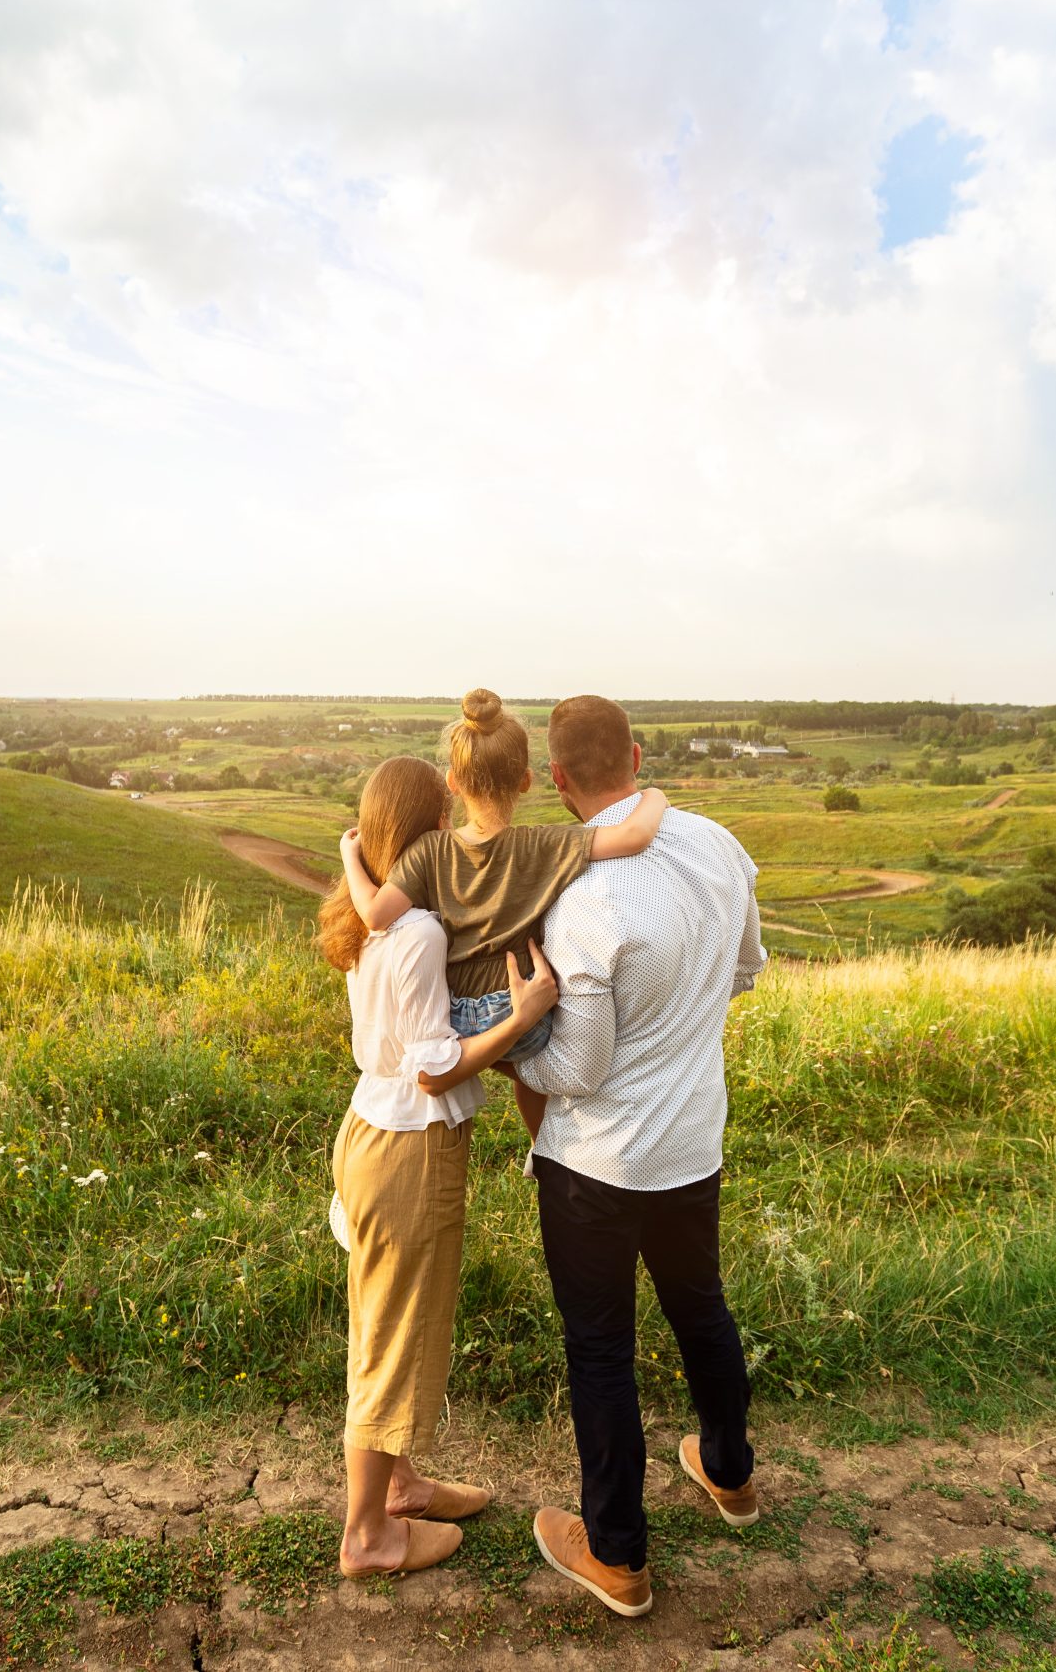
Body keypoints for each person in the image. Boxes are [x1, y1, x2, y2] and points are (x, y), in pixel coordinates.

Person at [513, 694, 769, 1618]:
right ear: (636, 751)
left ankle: (619, 1555)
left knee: (601, 1351)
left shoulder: (580, 899)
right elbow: (746, 966)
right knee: (702, 1308)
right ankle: (731, 1474)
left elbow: (576, 1070)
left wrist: (516, 1024)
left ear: (557, 780)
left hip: (598, 1162)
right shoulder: (718, 843)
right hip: (692, 1139)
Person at [315, 754, 560, 1577]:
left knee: (382, 1321)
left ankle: (401, 1486)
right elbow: (433, 1065)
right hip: (409, 1145)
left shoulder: (365, 920)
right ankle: (367, 1537)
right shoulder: (416, 930)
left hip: (369, 1131)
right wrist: (521, 1018)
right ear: (427, 833)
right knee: (392, 1336)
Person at [337, 688, 667, 1146]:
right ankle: (543, 1145)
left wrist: (349, 856)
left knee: (506, 1060)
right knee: (532, 1070)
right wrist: (654, 795)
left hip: (453, 1022)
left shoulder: (429, 850)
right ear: (528, 780)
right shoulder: (541, 844)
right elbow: (634, 835)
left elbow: (374, 915)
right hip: (522, 1020)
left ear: (453, 782)